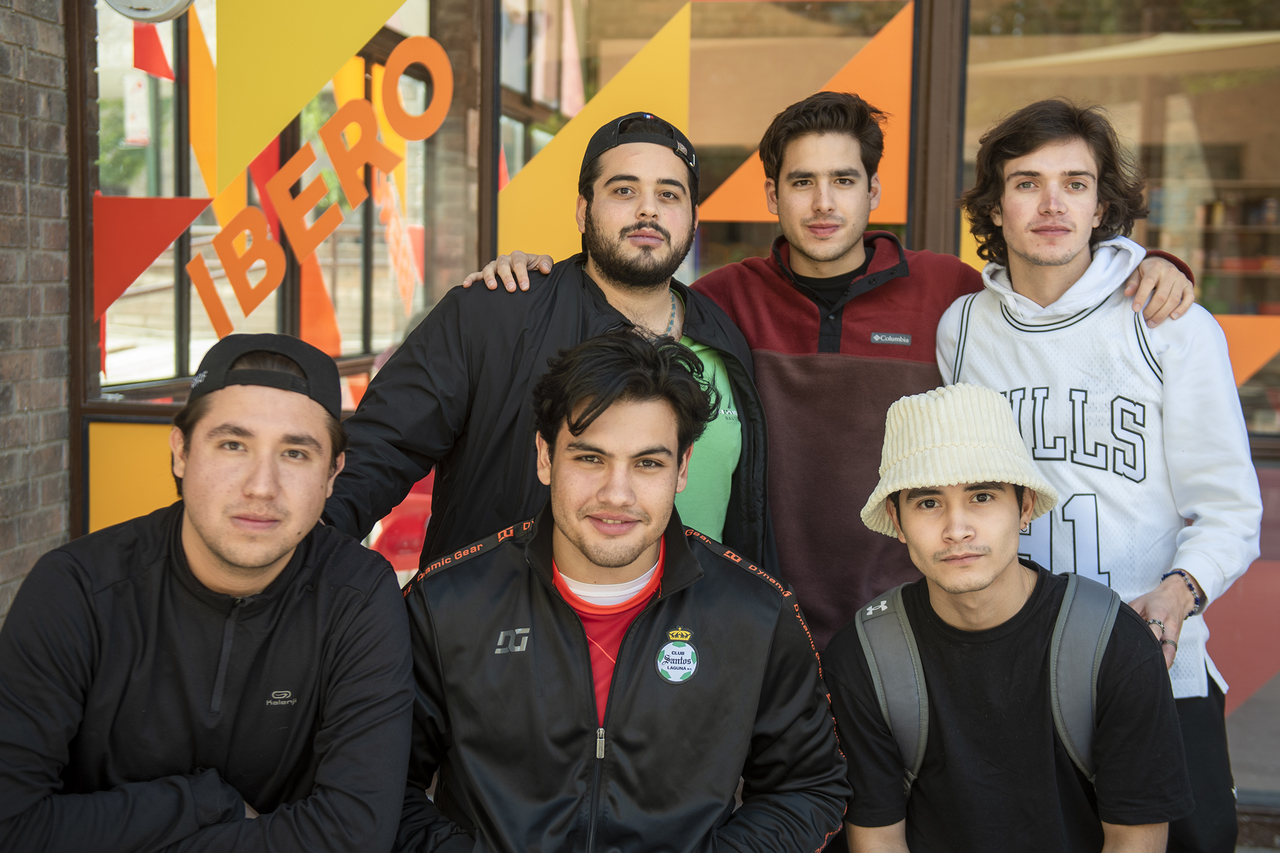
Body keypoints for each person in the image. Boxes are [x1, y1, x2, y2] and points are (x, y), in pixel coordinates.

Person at [467, 92, 1196, 649]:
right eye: (802, 181)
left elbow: (1046, 298)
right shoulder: (722, 300)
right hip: (763, 617)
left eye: (844, 180)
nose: (823, 202)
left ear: (874, 193)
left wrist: (1149, 266)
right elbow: (617, 311)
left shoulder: (949, 291)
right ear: (772, 194)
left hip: (913, 619)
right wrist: (532, 274)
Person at [937, 98, 1263, 853]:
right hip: (1014, 669)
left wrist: (1176, 596)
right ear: (993, 204)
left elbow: (1229, 511)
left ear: (1102, 204)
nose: (1052, 203)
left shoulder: (1170, 322)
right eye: (1026, 182)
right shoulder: (960, 331)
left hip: (1154, 666)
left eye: (1075, 183)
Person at [393, 331, 848, 853]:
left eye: (648, 463)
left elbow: (808, 788)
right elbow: (383, 785)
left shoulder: (756, 613)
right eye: (589, 459)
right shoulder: (447, 604)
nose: (617, 494)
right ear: (545, 457)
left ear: (682, 469)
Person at [0, 334, 412, 852]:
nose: (261, 486)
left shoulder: (356, 596)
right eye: (232, 444)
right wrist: (201, 803)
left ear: (333, 475)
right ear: (181, 452)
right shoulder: (77, 590)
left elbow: (353, 836)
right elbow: (10, 826)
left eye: (295, 453)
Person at [324, 112, 771, 572]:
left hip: (683, 638)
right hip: (498, 628)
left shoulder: (724, 340)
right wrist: (295, 570)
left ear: (693, 219)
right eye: (623, 190)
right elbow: (379, 451)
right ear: (583, 209)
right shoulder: (495, 314)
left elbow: (748, 513)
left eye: (668, 195)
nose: (648, 210)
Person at [822, 383, 1195, 852]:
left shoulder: (1112, 645)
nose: (957, 530)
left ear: (1024, 507)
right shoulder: (865, 658)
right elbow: (877, 843)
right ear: (897, 521)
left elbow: (1135, 843)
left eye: (981, 496)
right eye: (928, 502)